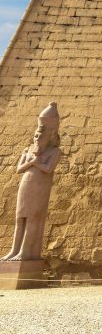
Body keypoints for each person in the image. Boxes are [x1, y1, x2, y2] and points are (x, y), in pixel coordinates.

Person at [1, 102, 61, 261]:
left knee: (33, 217)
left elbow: (48, 169)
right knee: (20, 218)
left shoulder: (54, 151)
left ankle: (26, 252)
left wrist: (36, 163)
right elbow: (19, 168)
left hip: (40, 186)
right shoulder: (28, 150)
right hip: (26, 185)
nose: (37, 138)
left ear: (50, 136)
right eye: (35, 135)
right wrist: (33, 162)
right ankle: (14, 250)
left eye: (41, 135)